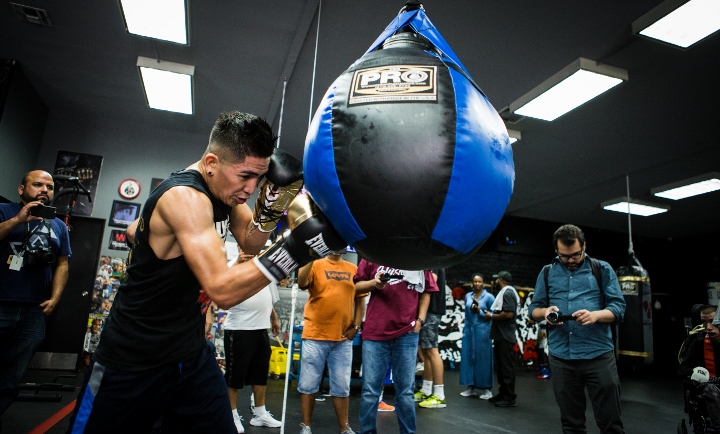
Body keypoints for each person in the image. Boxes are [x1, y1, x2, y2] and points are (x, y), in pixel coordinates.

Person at [66, 111, 344, 433]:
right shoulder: (185, 198)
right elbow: (222, 292)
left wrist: (271, 207)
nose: (251, 189)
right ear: (212, 162)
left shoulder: (223, 193)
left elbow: (252, 243)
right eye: (245, 176)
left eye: (260, 178)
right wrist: (297, 248)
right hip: (133, 359)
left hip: (189, 353)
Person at [528, 224, 626, 434]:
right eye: (564, 256)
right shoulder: (547, 272)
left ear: (584, 246)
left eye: (575, 255)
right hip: (562, 358)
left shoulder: (601, 269)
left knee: (611, 423)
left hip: (598, 356)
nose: (570, 260)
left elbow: (618, 308)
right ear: (557, 251)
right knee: (571, 425)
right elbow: (533, 310)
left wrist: (596, 315)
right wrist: (544, 312)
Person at [0, 170, 71, 424]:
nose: (45, 190)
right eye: (38, 184)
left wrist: (56, 297)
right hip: (2, 303)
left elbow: (62, 263)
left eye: (50, 186)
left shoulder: (58, 225)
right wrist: (18, 220)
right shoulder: (5, 211)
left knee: (11, 378)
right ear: (22, 190)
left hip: (34, 311)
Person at [354, 262, 438, 434]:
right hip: (376, 331)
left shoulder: (417, 258)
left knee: (406, 392)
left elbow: (427, 291)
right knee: (371, 390)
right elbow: (357, 286)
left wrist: (420, 321)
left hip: (407, 333)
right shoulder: (373, 254)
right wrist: (374, 283)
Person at [296, 249, 364, 434]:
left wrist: (356, 327)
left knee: (342, 386)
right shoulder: (316, 264)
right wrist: (309, 256)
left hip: (342, 338)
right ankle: (306, 426)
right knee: (308, 384)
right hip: (315, 334)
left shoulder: (353, 268)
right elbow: (302, 283)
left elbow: (360, 301)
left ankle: (344, 428)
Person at [223, 251, 282, 433]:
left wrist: (274, 318)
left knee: (260, 374)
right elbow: (222, 284)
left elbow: (269, 296)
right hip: (239, 328)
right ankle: (231, 416)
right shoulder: (234, 264)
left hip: (260, 328)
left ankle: (259, 413)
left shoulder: (265, 265)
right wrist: (239, 261)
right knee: (235, 376)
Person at [483, 271, 519, 408]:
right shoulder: (506, 291)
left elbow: (509, 314)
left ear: (500, 279)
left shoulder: (508, 292)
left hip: (505, 336)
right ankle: (503, 393)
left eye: (496, 279)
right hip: (501, 336)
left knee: (507, 368)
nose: (495, 282)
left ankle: (510, 397)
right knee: (502, 368)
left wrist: (492, 316)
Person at [416, 269, 448, 409]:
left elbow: (431, 281)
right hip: (429, 310)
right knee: (427, 350)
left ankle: (440, 396)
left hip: (432, 309)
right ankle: (426, 390)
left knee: (432, 350)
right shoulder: (434, 259)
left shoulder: (436, 260)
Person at [459, 273, 495, 399]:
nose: (477, 284)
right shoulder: (468, 296)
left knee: (483, 359)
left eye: (479, 281)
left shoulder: (489, 297)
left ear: (483, 282)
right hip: (469, 330)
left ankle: (487, 389)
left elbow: (493, 314)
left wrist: (480, 312)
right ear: (472, 283)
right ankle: (470, 387)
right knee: (468, 359)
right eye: (475, 281)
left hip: (483, 331)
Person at [679, 305, 719, 377]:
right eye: (704, 322)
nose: (709, 327)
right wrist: (695, 372)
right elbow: (683, 369)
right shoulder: (699, 343)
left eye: (713, 321)